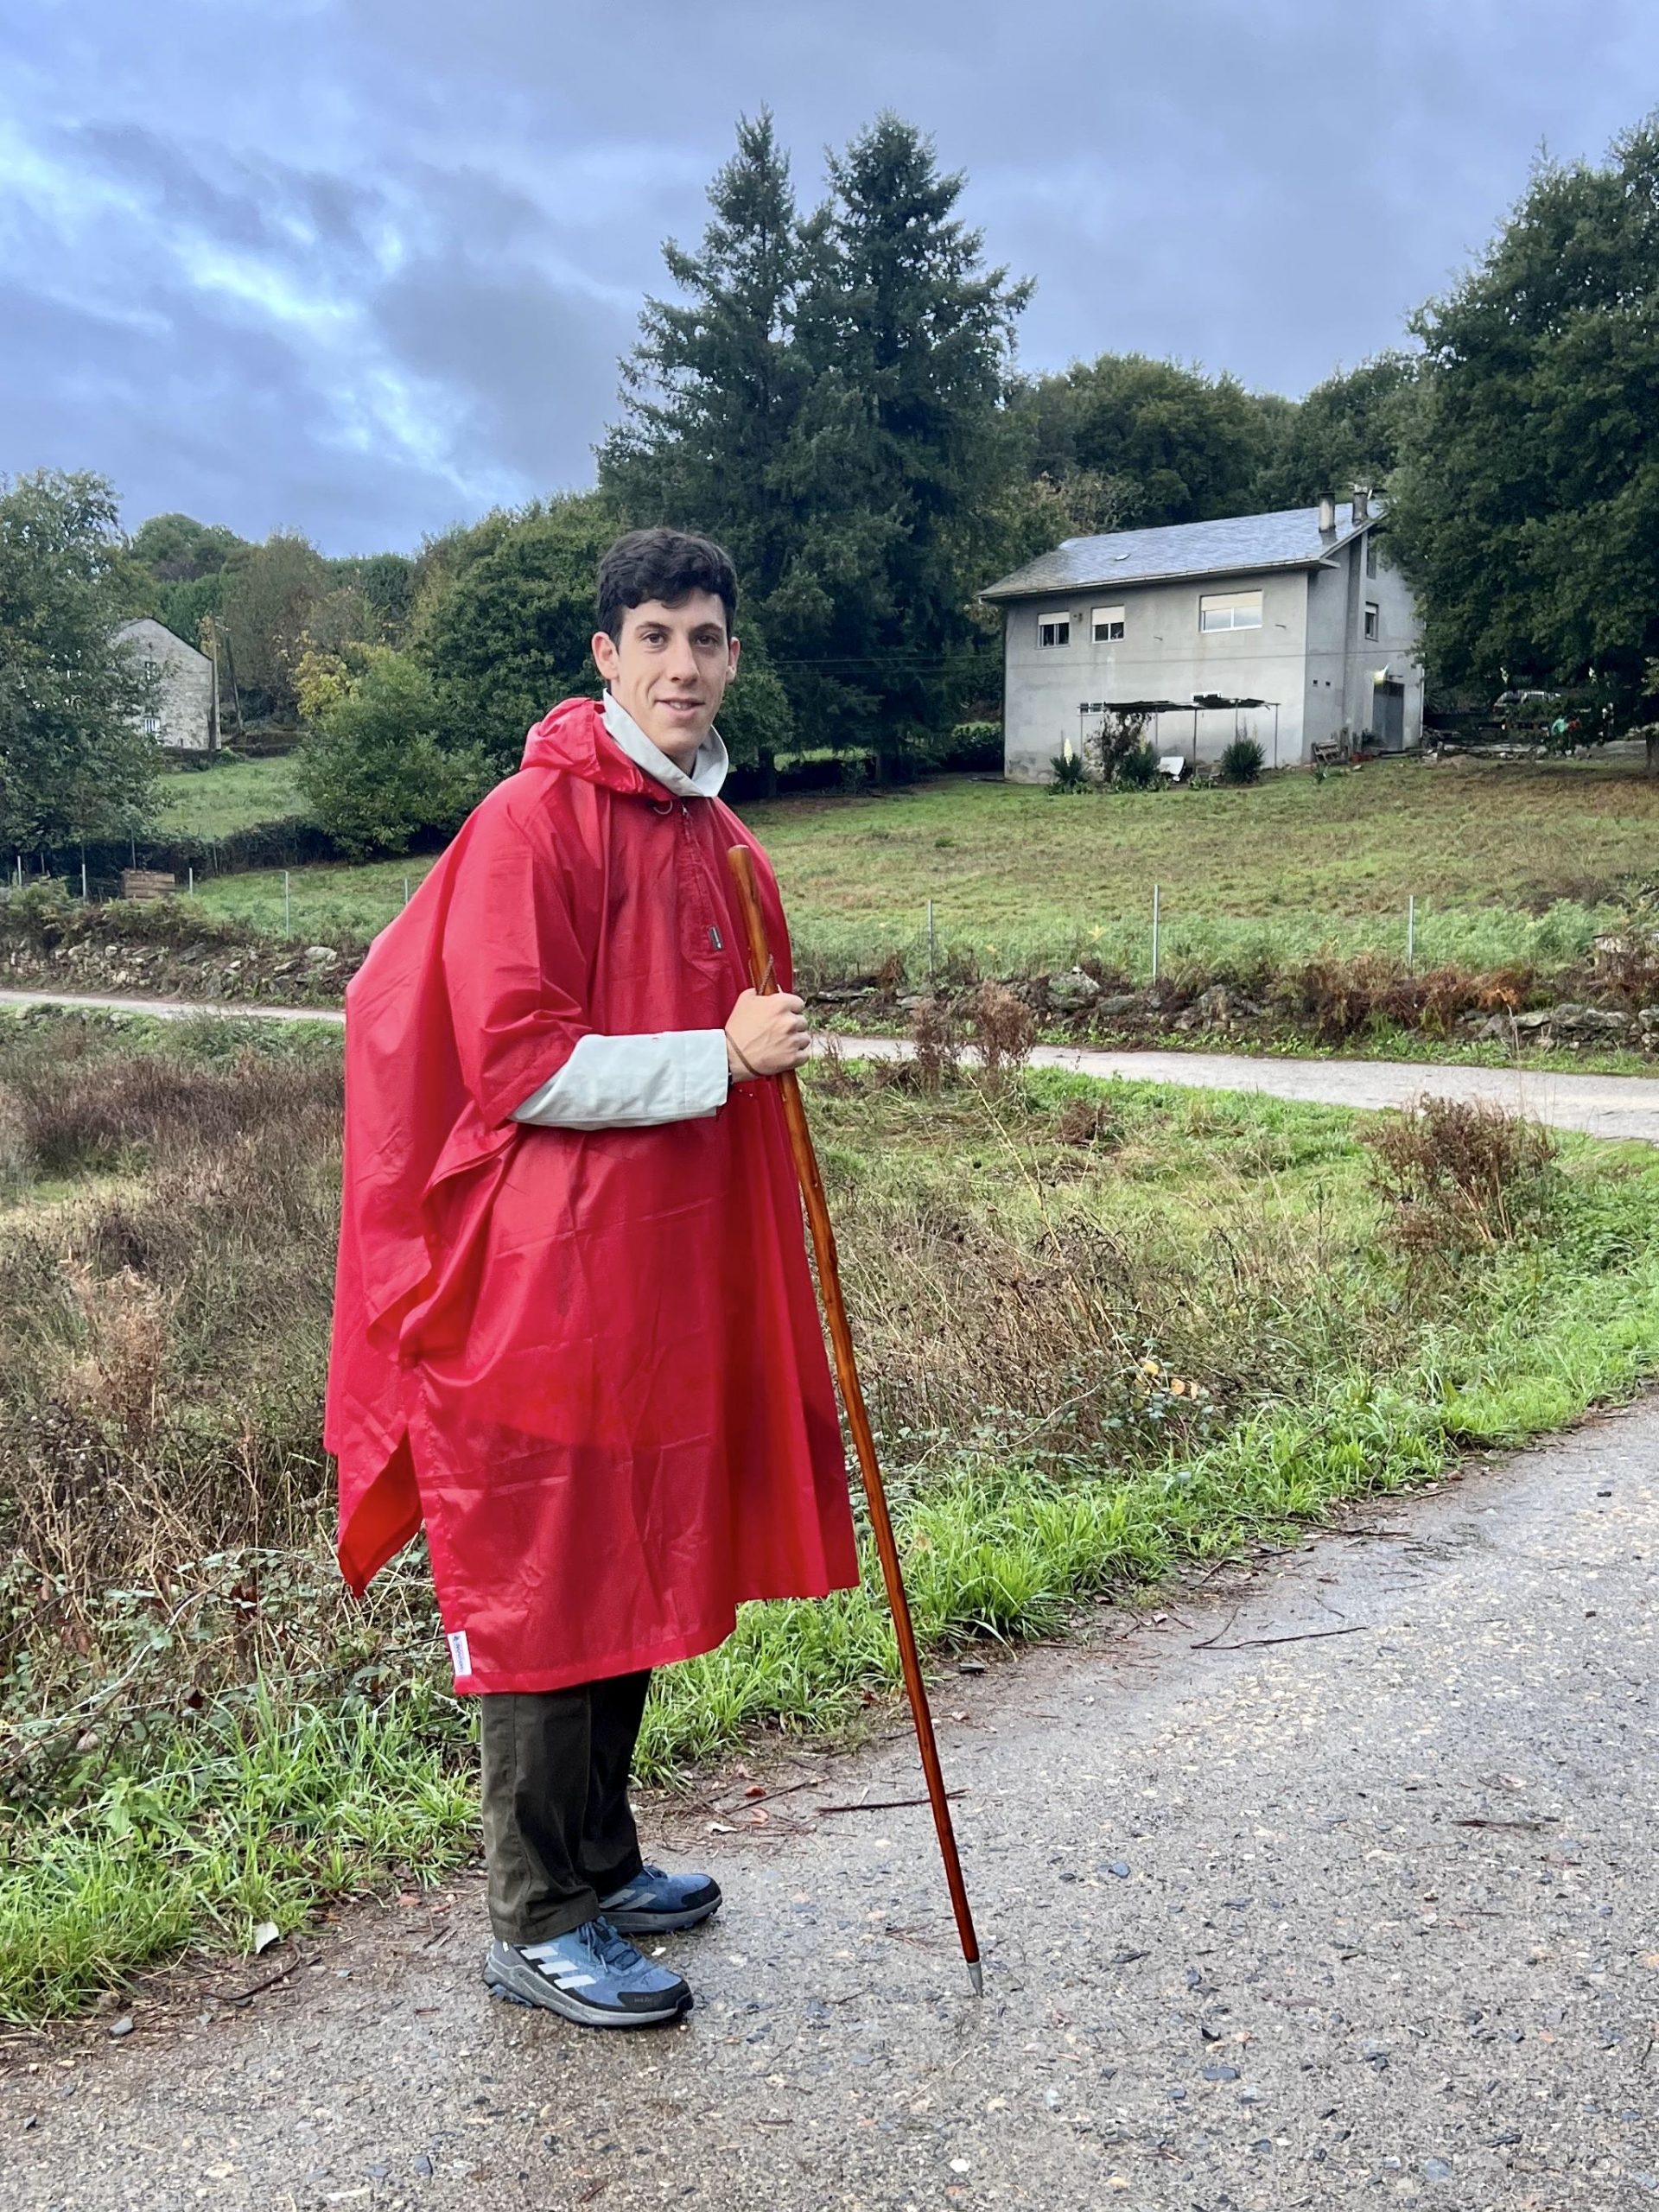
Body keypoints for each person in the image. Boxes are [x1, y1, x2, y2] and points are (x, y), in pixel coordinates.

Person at [324, 528, 858, 2030]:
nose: (684, 665)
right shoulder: (532, 823)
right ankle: (536, 1913)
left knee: (636, 1558)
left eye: (708, 637)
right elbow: (515, 1063)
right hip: (542, 1284)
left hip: (661, 1279)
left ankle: (603, 1860)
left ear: (733, 655)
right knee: (552, 1580)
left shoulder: (714, 834)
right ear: (607, 656)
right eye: (656, 637)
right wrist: (720, 1056)